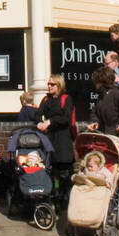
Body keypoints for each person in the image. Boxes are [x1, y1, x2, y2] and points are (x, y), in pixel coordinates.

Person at [87, 65, 119, 219]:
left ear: (101, 82)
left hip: (117, 138)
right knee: (110, 173)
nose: (94, 85)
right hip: (106, 139)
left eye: (96, 82)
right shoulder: (103, 96)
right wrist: (94, 122)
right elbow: (95, 112)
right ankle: (111, 205)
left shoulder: (117, 94)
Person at [37, 74, 76, 206]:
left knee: (65, 172)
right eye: (48, 84)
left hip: (63, 139)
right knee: (51, 171)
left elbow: (66, 118)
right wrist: (39, 123)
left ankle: (66, 200)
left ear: (59, 85)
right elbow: (37, 114)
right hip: (50, 138)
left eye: (52, 84)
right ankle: (53, 198)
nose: (49, 86)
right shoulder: (45, 100)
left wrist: (50, 121)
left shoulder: (66, 98)